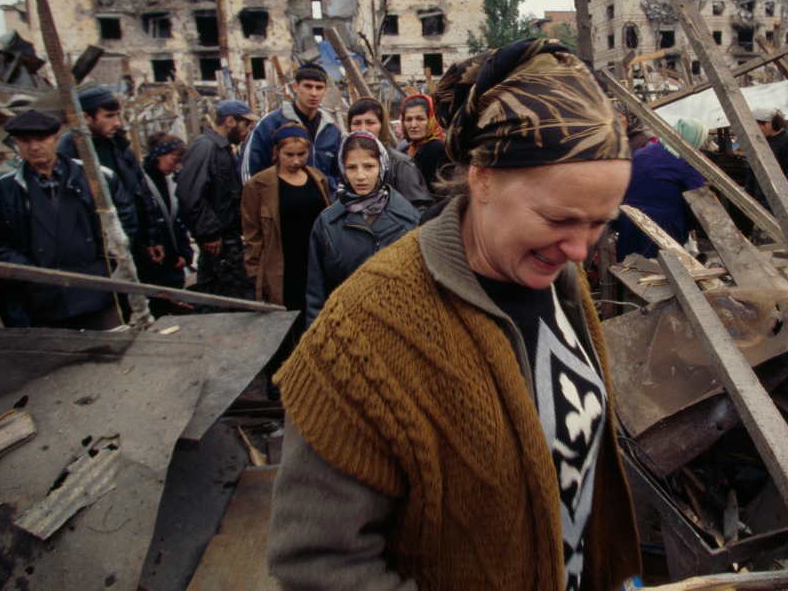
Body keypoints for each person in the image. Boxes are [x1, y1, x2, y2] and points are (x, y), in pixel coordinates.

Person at [268, 38, 641, 591]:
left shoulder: (561, 284)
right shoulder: (364, 331)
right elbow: (318, 563)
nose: (581, 250)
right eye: (560, 218)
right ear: (481, 177)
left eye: (599, 223)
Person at [0, 110, 137, 329]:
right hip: (41, 299)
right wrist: (29, 271)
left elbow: (124, 222)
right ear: (15, 143)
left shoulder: (97, 177)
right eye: (25, 141)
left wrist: (105, 261)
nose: (33, 147)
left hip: (98, 291)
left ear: (57, 138)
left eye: (41, 139)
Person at [303, 130, 418, 326]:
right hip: (344, 331)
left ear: (382, 166)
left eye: (369, 166)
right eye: (352, 167)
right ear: (342, 169)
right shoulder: (327, 223)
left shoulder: (409, 219)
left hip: (397, 331)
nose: (360, 176)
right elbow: (316, 294)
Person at [58, 85, 163, 255]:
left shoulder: (120, 147)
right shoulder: (65, 153)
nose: (117, 123)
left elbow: (142, 193)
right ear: (86, 117)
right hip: (96, 247)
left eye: (117, 115)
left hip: (131, 239)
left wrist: (151, 238)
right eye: (109, 116)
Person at [176, 99, 259, 303]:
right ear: (230, 121)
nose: (247, 131)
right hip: (219, 240)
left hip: (226, 237)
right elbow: (189, 194)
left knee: (212, 294)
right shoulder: (205, 147)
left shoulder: (221, 149)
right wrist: (209, 232)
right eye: (245, 124)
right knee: (243, 298)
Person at [242, 123, 331, 309]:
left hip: (315, 260)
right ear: (277, 152)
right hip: (282, 265)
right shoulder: (258, 185)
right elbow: (252, 234)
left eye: (301, 154)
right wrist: (255, 274)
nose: (296, 161)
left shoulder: (317, 178)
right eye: (289, 155)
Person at [616, 118, 708, 261]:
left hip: (630, 221)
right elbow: (696, 205)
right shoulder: (688, 164)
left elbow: (623, 187)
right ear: (695, 138)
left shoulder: (640, 154)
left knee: (628, 267)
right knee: (661, 273)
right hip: (664, 227)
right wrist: (691, 225)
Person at [240, 63, 342, 188]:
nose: (314, 93)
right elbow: (249, 171)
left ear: (325, 90)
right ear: (295, 87)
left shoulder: (331, 130)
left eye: (319, 88)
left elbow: (339, 174)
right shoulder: (270, 124)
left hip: (324, 205)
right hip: (281, 204)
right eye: (308, 86)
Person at [346, 97, 435, 213]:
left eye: (370, 122)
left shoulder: (402, 165)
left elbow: (420, 210)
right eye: (356, 123)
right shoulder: (346, 163)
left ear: (382, 126)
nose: (363, 129)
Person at [140, 132, 193, 318]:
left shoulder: (171, 183)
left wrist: (185, 253)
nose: (177, 166)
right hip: (153, 268)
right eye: (174, 160)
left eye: (181, 162)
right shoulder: (141, 184)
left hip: (173, 265)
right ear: (158, 155)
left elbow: (179, 224)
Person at [745, 107, 788, 211]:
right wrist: (748, 197)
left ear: (768, 123)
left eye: (757, 126)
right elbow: (752, 172)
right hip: (760, 201)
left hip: (780, 203)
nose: (755, 131)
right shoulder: (760, 141)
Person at [399, 93, 451, 191]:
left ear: (431, 120)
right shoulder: (404, 149)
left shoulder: (439, 150)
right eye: (408, 119)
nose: (413, 125)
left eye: (420, 119)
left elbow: (444, 193)